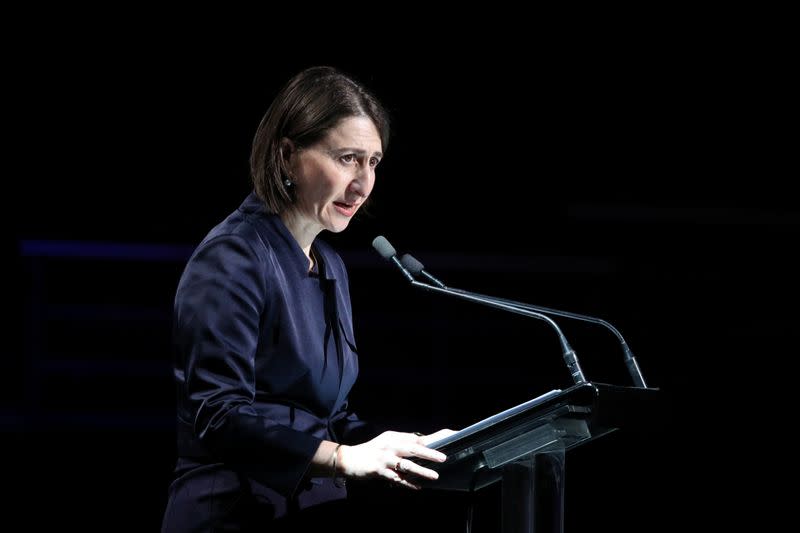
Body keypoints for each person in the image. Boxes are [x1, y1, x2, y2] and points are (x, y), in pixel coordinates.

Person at [161, 65, 454, 531]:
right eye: (347, 158)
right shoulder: (233, 255)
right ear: (286, 155)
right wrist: (340, 457)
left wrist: (405, 446)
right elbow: (218, 416)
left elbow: (329, 416)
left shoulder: (330, 265)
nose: (362, 184)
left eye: (373, 162)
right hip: (231, 513)